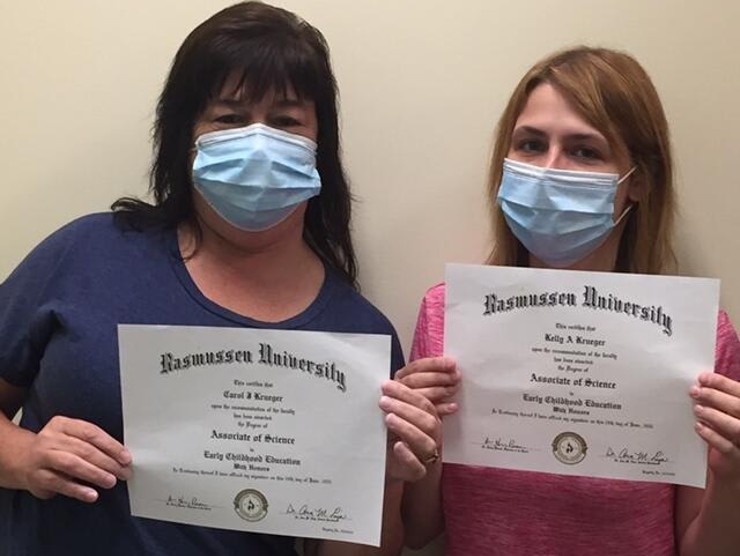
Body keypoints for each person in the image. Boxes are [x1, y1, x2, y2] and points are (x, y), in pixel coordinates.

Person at [0, 2, 441, 555]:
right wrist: (21, 458)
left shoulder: (358, 338)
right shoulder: (87, 253)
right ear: (185, 137)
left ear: (318, 147)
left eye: (285, 121)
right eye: (229, 118)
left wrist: (383, 479)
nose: (258, 142)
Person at [398, 46, 740, 555]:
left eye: (585, 151)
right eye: (531, 144)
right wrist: (419, 439)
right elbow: (419, 531)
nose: (548, 170)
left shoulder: (698, 338)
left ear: (638, 181)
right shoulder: (449, 317)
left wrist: (733, 477)